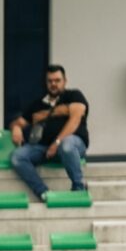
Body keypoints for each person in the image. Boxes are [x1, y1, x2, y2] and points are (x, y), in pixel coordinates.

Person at [10, 64, 90, 201]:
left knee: (66, 144)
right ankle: (44, 193)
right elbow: (18, 122)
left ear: (65, 81)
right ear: (46, 83)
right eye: (50, 81)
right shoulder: (38, 104)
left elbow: (75, 119)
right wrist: (16, 128)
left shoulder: (74, 95)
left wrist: (56, 143)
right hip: (44, 149)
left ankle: (79, 187)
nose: (54, 84)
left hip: (73, 145)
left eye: (57, 80)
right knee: (17, 156)